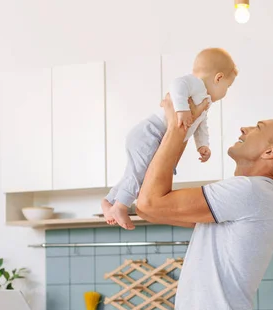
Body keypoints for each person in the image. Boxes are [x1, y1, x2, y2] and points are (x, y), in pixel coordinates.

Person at [136, 94, 273, 310]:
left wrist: (178, 126)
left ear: (271, 151)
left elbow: (148, 204)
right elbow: (150, 211)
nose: (244, 128)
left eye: (258, 128)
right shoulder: (250, 196)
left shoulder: (248, 191)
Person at [101, 48, 238, 230]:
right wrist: (182, 110)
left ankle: (109, 201)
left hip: (155, 136)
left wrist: (202, 145)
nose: (225, 92)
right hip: (151, 133)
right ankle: (120, 206)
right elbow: (176, 84)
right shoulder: (196, 84)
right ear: (218, 78)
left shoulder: (204, 100)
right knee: (139, 172)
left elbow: (201, 126)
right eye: (227, 87)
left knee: (138, 173)